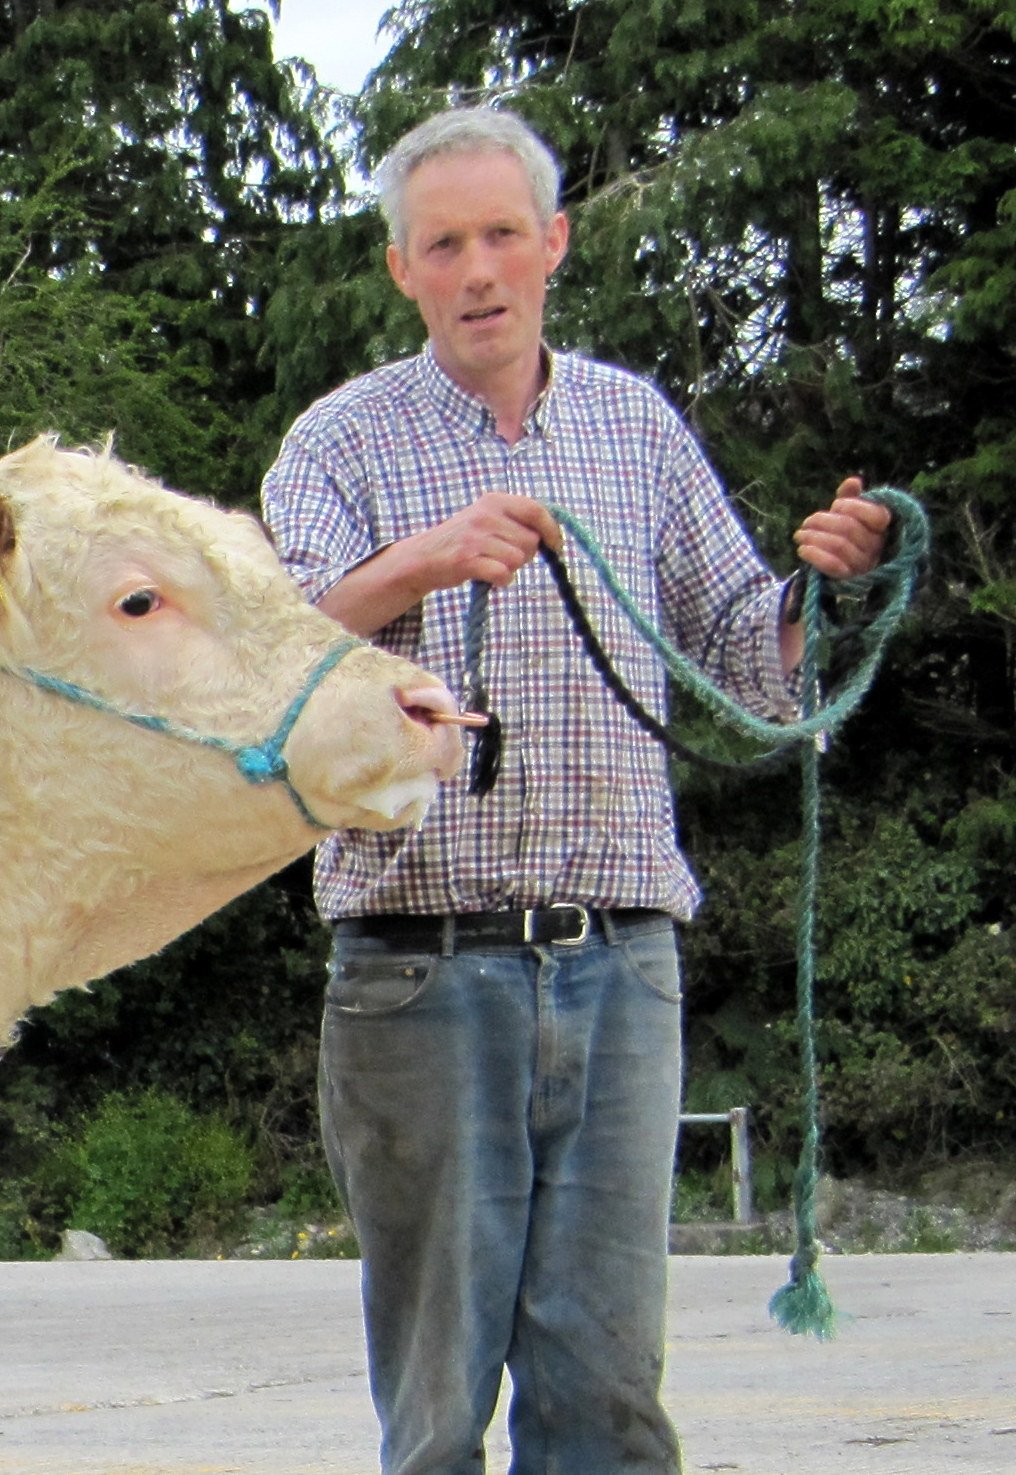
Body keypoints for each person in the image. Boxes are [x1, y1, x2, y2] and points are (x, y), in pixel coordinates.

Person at [259, 107, 888, 1475]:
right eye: (444, 245)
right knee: (433, 1422)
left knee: (609, 1406)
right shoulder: (336, 444)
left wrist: (821, 592)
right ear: (401, 271)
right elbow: (285, 658)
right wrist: (428, 558)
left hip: (622, 964)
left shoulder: (637, 426)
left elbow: (743, 654)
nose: (477, 269)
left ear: (552, 245)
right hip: (417, 974)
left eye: (501, 236)